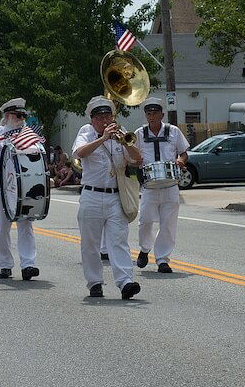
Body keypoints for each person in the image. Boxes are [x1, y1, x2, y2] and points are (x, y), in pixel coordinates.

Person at [72, 96, 143, 299]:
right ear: (92, 119)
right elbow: (79, 153)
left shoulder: (120, 134)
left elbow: (137, 159)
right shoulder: (86, 132)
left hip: (114, 196)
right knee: (90, 243)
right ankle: (95, 282)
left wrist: (125, 142)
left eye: (108, 116)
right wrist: (103, 138)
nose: (105, 120)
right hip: (91, 195)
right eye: (100, 117)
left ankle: (125, 282)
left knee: (119, 240)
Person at [0, 97, 41, 281]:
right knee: (2, 226)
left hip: (24, 184)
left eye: (23, 115)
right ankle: (5, 265)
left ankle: (28, 265)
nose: (21, 118)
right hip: (1, 182)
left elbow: (38, 157)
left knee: (26, 223)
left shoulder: (29, 135)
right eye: (18, 115)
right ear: (7, 116)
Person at [133, 97, 190, 273]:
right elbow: (131, 155)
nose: (151, 117)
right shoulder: (139, 133)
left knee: (168, 223)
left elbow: (184, 153)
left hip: (170, 184)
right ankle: (144, 249)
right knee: (146, 221)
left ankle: (162, 259)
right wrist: (136, 160)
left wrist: (180, 160)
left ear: (162, 114)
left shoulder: (173, 131)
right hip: (149, 186)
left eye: (155, 113)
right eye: (148, 114)